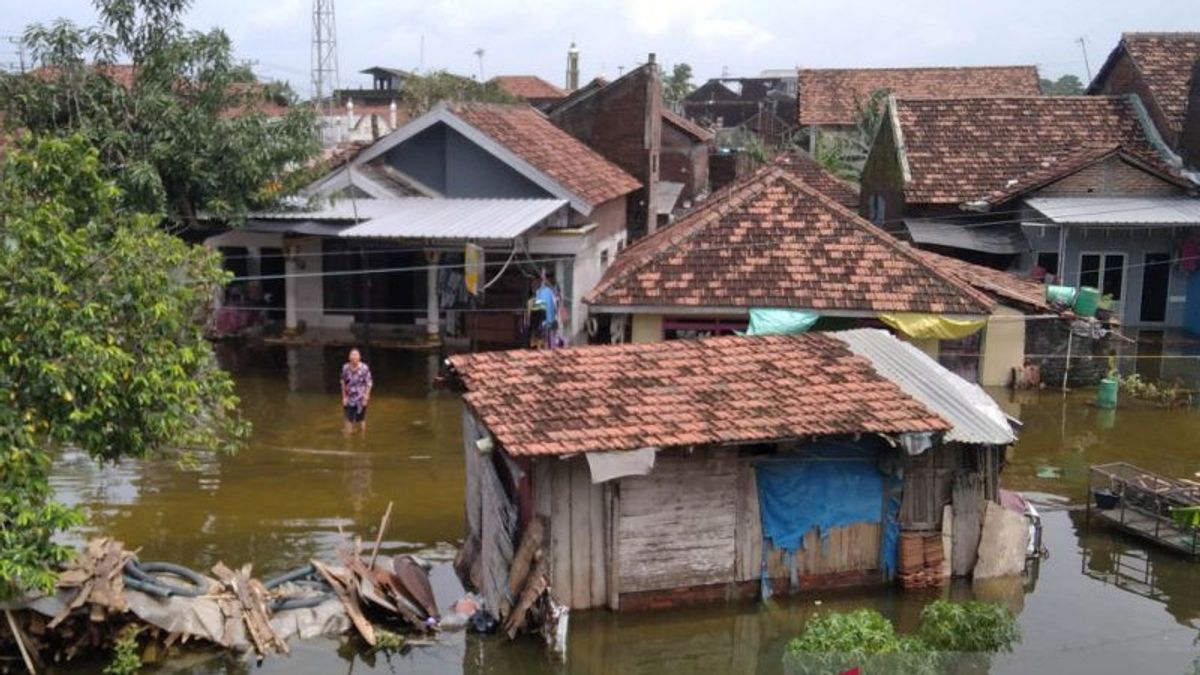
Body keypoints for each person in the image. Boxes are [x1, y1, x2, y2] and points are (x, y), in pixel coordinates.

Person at [340, 348, 373, 434]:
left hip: (361, 397)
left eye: (356, 355)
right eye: (352, 355)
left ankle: (363, 435)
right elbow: (343, 382)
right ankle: (349, 436)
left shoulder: (364, 368)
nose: (354, 357)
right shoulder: (345, 367)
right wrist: (344, 397)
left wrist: (366, 396)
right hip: (350, 397)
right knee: (349, 418)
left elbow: (369, 383)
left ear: (359, 357)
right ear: (349, 357)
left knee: (361, 419)